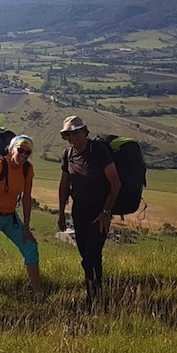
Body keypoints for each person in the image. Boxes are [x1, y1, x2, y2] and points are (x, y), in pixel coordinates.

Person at [57, 116, 122, 308]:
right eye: (68, 134)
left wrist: (106, 212)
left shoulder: (99, 151)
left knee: (93, 255)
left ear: (85, 132)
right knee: (86, 257)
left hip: (99, 211)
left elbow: (115, 183)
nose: (73, 137)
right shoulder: (68, 155)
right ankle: (94, 294)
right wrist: (61, 213)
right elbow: (63, 185)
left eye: (76, 132)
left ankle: (95, 298)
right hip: (79, 212)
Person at [0, 134, 44, 299]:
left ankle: (38, 293)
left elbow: (27, 198)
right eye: (20, 150)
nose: (23, 155)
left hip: (9, 216)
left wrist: (27, 228)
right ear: (12, 149)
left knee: (31, 247)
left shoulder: (28, 169)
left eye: (27, 153)